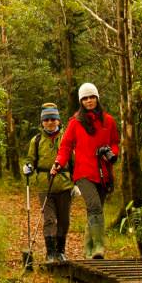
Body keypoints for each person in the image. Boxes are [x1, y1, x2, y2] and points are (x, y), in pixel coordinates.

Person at [50, 83, 119, 260]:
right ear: (81, 101)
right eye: (85, 98)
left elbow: (115, 143)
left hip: (104, 174)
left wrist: (112, 154)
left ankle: (89, 251)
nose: (89, 101)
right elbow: (65, 146)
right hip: (83, 174)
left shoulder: (108, 120)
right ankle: (98, 247)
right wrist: (58, 163)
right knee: (95, 206)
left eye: (92, 97)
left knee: (95, 210)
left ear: (97, 98)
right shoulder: (76, 122)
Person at [23, 103, 73, 264]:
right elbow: (31, 159)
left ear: (58, 120)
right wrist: (28, 167)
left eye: (53, 119)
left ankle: (61, 251)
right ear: (42, 122)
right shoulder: (36, 140)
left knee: (64, 220)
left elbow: (75, 161)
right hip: (45, 185)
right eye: (47, 119)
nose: (50, 122)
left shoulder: (67, 137)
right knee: (49, 219)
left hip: (65, 185)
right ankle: (50, 253)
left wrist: (77, 183)